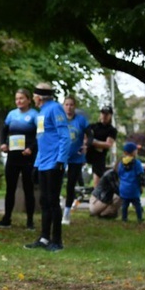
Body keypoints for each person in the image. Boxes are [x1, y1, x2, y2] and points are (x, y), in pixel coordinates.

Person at [24, 83, 71, 252]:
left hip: (54, 163)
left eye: (35, 95)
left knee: (53, 202)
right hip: (43, 163)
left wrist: (61, 160)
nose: (34, 98)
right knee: (44, 201)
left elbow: (65, 136)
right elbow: (41, 140)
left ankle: (57, 241)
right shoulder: (41, 113)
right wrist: (36, 165)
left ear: (39, 97)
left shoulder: (55, 109)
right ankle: (44, 238)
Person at [0, 89, 38, 230]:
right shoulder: (11, 114)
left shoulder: (34, 115)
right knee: (10, 189)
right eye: (16, 99)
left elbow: (39, 135)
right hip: (13, 156)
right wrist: (3, 143)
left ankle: (30, 221)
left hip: (27, 157)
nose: (19, 101)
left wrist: (31, 148)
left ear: (28, 100)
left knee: (28, 189)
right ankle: (7, 218)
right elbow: (4, 130)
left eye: (21, 98)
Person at [62, 95, 89, 225]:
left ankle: (67, 212)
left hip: (76, 157)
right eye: (66, 104)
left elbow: (90, 134)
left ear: (75, 106)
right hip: (61, 155)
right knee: (56, 181)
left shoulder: (81, 120)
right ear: (63, 106)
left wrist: (86, 145)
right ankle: (56, 207)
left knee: (71, 184)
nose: (69, 107)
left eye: (71, 105)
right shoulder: (60, 120)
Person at [86, 105, 117, 187]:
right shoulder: (93, 126)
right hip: (86, 153)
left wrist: (93, 142)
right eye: (103, 113)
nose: (104, 116)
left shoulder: (111, 130)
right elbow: (84, 138)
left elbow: (108, 144)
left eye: (107, 114)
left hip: (99, 156)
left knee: (97, 183)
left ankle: (96, 197)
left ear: (110, 116)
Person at [118, 142, 145, 222]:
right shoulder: (137, 163)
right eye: (135, 150)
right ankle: (139, 218)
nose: (137, 151)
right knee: (137, 204)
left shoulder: (121, 163)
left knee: (124, 205)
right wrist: (142, 186)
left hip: (124, 187)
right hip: (134, 187)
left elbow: (119, 174)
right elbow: (141, 175)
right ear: (133, 152)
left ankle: (124, 218)